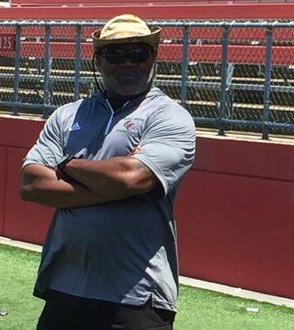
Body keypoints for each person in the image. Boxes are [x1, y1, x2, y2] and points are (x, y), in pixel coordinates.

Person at [20, 14, 196, 330]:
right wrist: (114, 183)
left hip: (137, 298)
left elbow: (134, 177)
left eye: (138, 53)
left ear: (152, 58)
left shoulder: (170, 117)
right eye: (115, 54)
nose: (128, 63)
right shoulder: (67, 115)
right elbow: (32, 184)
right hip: (67, 287)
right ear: (98, 60)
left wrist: (67, 165)